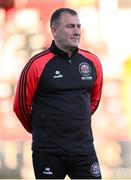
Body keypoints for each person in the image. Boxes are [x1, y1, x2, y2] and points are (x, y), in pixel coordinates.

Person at [13, 8, 103, 179]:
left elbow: (94, 101)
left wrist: (75, 120)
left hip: (83, 150)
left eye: (78, 26)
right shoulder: (36, 64)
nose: (76, 31)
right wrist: (41, 129)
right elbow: (20, 107)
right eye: (70, 26)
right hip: (48, 152)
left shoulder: (92, 62)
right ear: (54, 30)